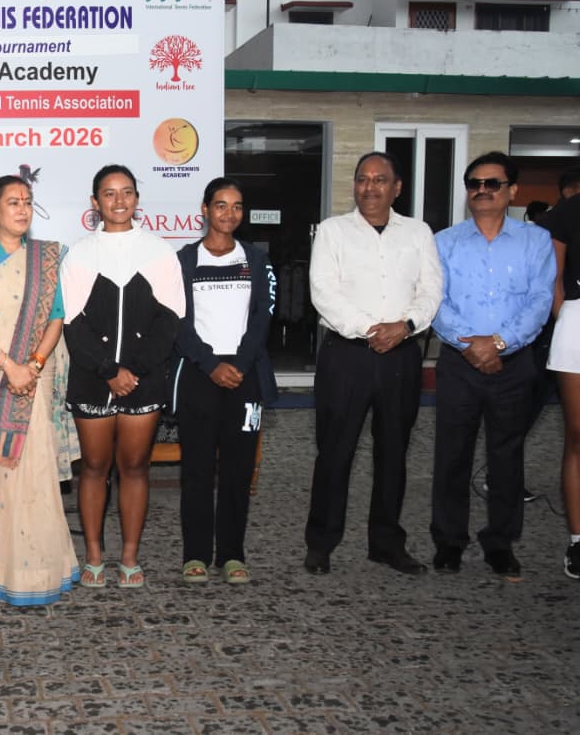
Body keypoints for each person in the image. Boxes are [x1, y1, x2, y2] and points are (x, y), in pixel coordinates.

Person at [304, 151, 443, 576]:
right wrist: (371, 329)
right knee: (334, 452)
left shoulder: (418, 233)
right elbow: (323, 291)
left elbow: (431, 290)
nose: (370, 187)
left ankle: (386, 544)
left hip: (402, 354)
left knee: (394, 452)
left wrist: (406, 325)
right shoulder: (332, 231)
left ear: (396, 187)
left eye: (380, 180)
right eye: (362, 179)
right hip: (346, 355)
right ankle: (321, 544)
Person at [0, 175, 79, 605]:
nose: (22, 209)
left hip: (31, 378)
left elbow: (56, 318)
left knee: (32, 471)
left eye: (27, 201)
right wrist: (9, 366)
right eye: (12, 202)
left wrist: (34, 365)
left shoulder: (45, 259)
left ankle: (34, 571)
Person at [430, 151, 555, 577]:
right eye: (474, 184)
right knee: (451, 455)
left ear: (512, 191)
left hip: (513, 364)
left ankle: (500, 543)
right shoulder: (444, 242)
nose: (482, 190)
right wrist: (472, 346)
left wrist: (498, 343)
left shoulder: (535, 241)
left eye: (492, 183)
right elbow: (436, 302)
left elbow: (540, 301)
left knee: (507, 456)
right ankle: (448, 541)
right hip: (458, 362)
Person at [60, 164, 183, 589]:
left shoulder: (159, 252)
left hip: (143, 381)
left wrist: (134, 371)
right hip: (92, 379)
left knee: (134, 467)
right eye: (109, 193)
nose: (119, 201)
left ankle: (130, 556)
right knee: (94, 467)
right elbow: (72, 323)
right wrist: (109, 371)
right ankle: (94, 556)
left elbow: (170, 321)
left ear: (137, 199)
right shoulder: (79, 254)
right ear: (95, 202)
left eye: (127, 192)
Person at [172, 178, 277, 584]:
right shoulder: (184, 260)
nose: (229, 213)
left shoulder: (257, 260)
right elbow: (177, 322)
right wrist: (210, 364)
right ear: (205, 209)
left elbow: (263, 317)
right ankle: (195, 555)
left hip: (245, 377)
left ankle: (232, 554)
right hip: (200, 374)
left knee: (238, 470)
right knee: (197, 469)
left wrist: (242, 362)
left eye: (237, 206)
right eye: (221, 205)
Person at [542, 165, 580, 577]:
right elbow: (553, 276)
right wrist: (565, 319)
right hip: (577, 318)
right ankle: (578, 539)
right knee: (578, 434)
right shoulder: (570, 210)